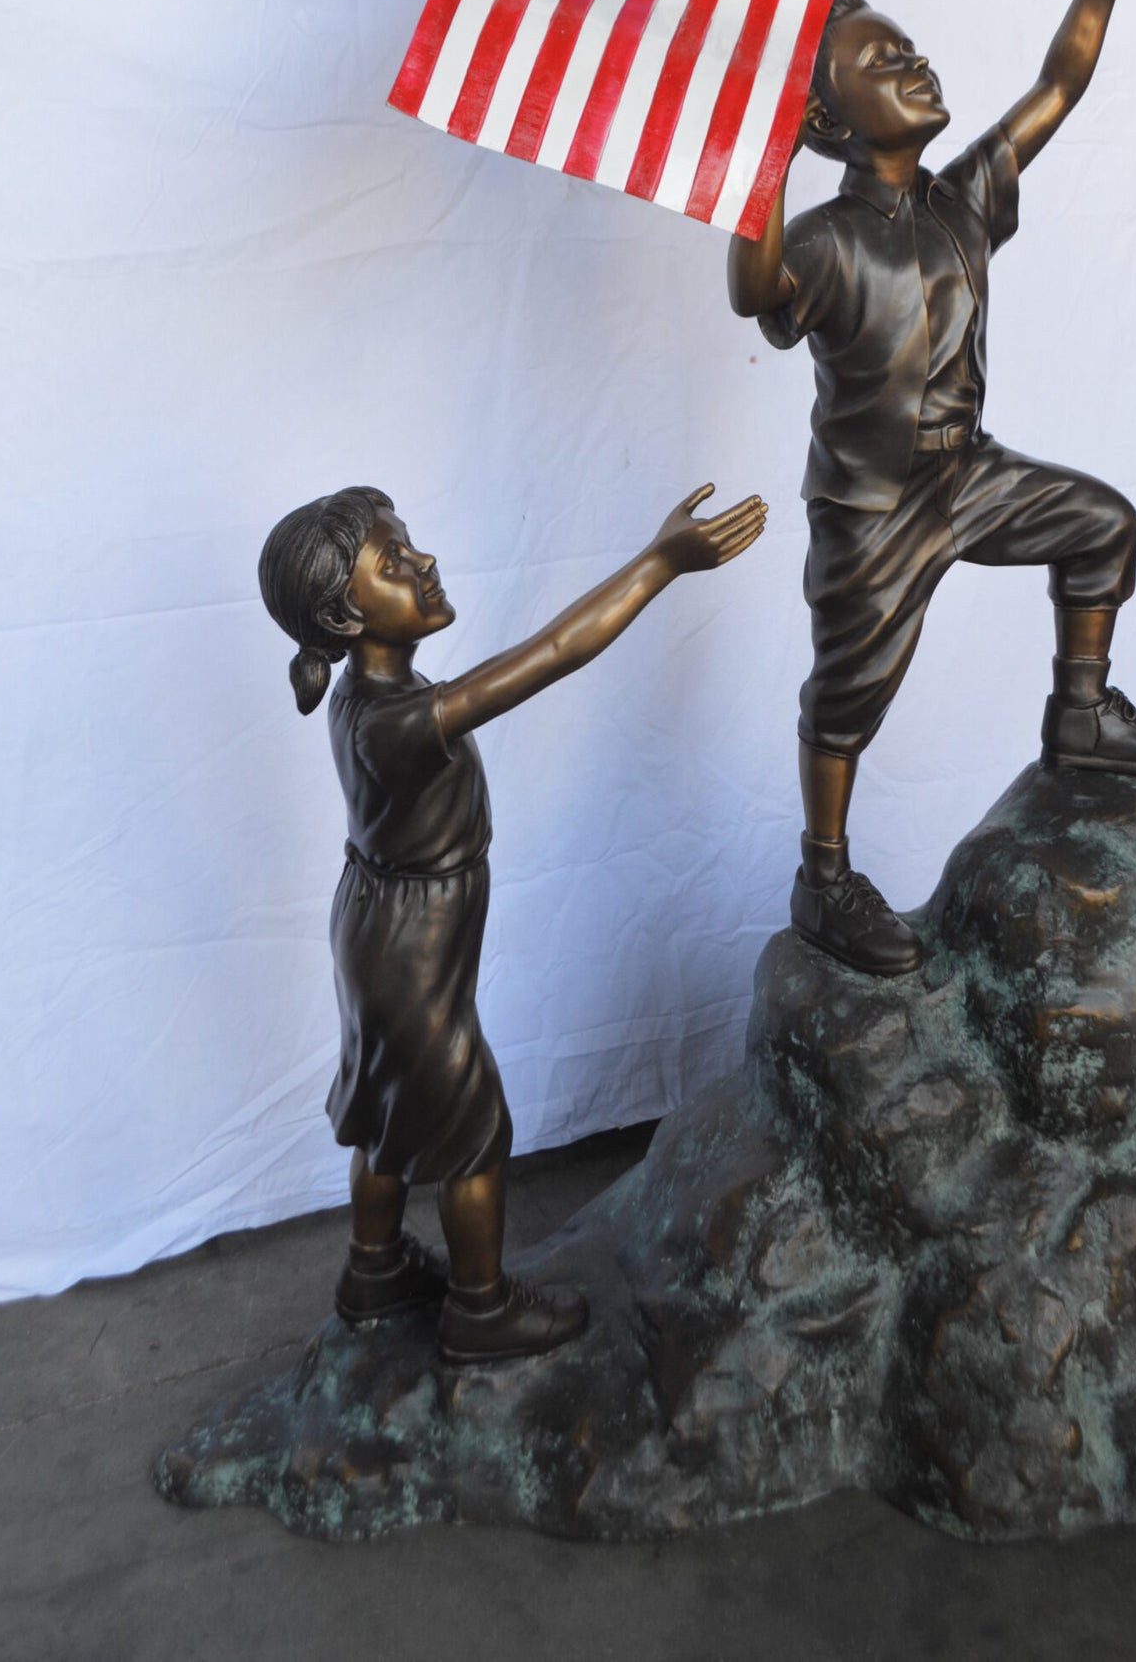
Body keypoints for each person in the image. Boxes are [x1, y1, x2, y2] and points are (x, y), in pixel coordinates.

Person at [727, 0, 1136, 981]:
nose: (914, 65)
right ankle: (823, 873)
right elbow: (755, 290)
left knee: (1100, 524)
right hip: (871, 501)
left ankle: (1077, 714)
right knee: (846, 693)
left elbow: (1056, 86)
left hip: (968, 474)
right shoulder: (825, 238)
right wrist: (755, 149)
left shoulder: (960, 201)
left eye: (910, 49)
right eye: (880, 63)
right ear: (826, 125)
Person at [258, 479, 766, 1358]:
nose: (423, 562)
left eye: (409, 542)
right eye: (393, 563)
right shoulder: (402, 722)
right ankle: (480, 1307)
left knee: (386, 1100)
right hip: (410, 944)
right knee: (473, 1126)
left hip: (379, 921)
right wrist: (659, 563)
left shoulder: (365, 701)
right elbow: (557, 651)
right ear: (345, 617)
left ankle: (374, 1271)